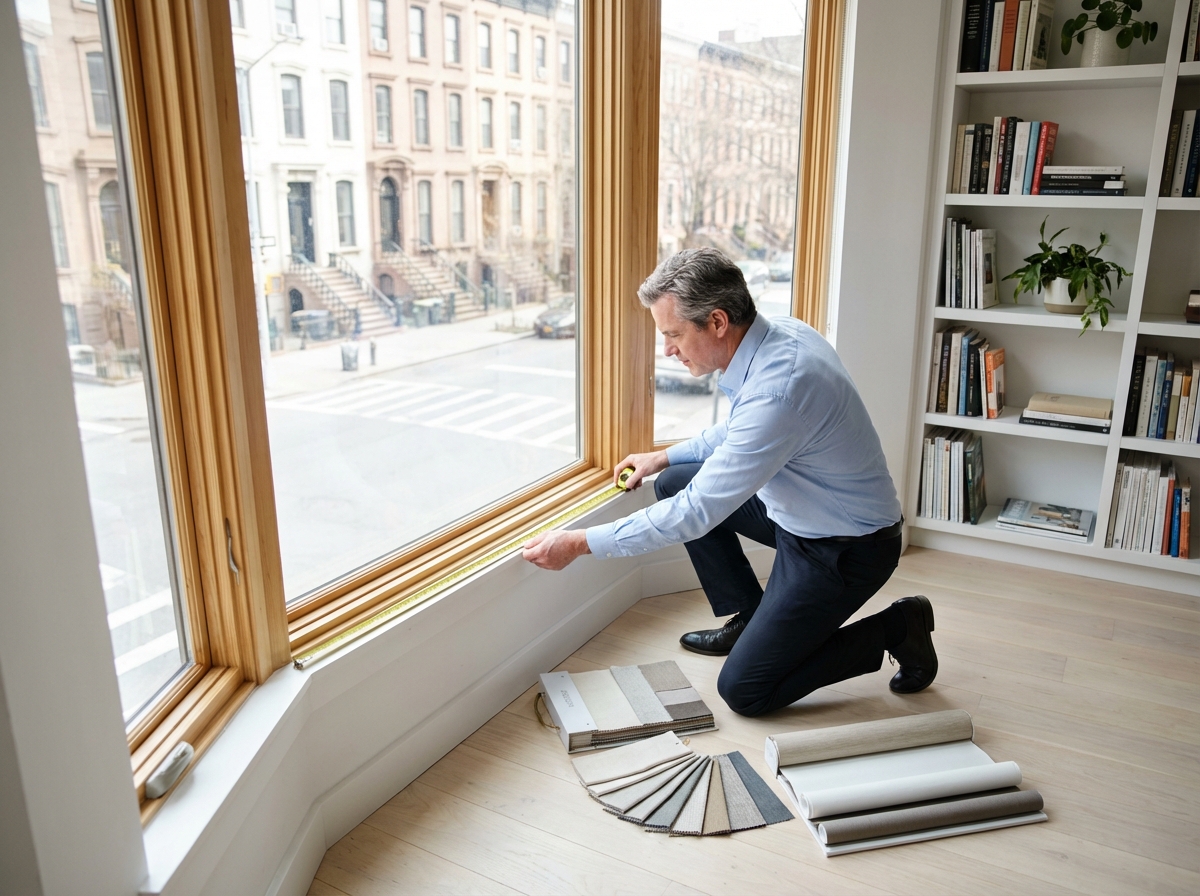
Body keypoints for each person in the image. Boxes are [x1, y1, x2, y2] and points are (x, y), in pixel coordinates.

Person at [522, 248, 937, 717]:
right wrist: (664, 455)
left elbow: (698, 510)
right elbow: (741, 429)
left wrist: (579, 543)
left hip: (845, 548)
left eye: (674, 334)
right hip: (802, 514)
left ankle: (900, 626)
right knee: (676, 480)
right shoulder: (780, 335)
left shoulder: (780, 387)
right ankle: (749, 616)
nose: (668, 350)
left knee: (746, 691)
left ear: (717, 322)